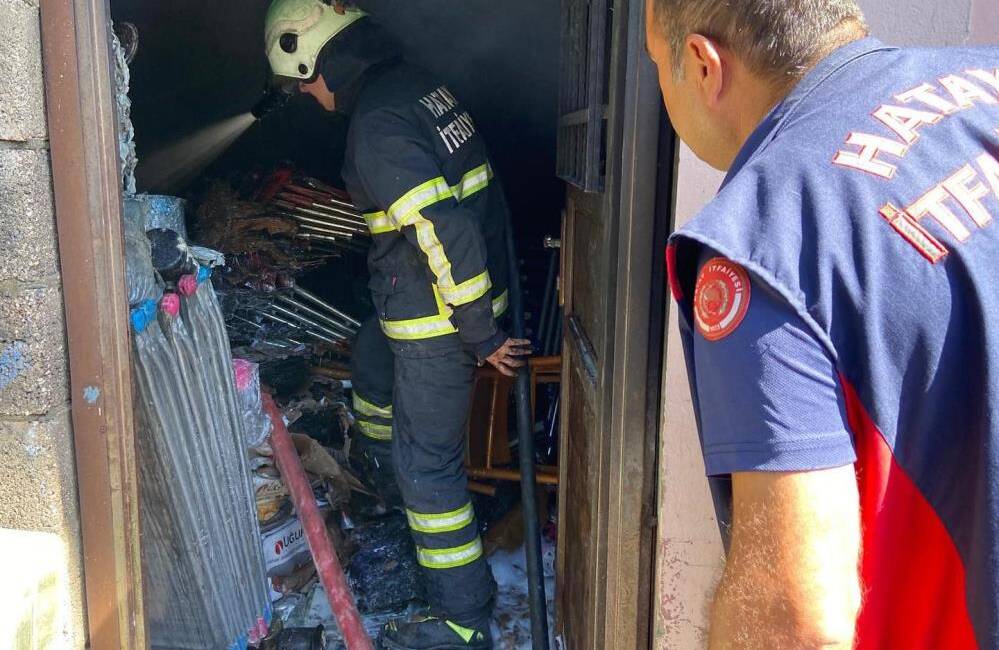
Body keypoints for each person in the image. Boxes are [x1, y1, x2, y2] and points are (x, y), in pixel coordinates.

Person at [646, 0, 999, 647]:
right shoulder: (985, 80)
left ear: (701, 64)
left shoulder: (767, 238)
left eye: (656, 69)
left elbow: (789, 624)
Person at [263, 2, 530, 648]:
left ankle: (463, 619)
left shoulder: (377, 128)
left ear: (320, 58)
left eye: (302, 81)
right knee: (368, 361)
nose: (304, 95)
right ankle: (381, 488)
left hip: (440, 325)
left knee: (429, 470)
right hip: (412, 311)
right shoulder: (412, 88)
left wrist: (479, 335)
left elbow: (445, 228)